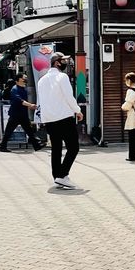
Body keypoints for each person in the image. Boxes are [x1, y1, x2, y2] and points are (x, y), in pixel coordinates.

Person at [37, 53, 83, 189]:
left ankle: (57, 176)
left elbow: (41, 102)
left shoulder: (41, 80)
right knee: (73, 147)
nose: (65, 63)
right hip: (64, 117)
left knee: (56, 148)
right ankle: (62, 175)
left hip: (49, 119)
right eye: (64, 60)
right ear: (57, 62)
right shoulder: (62, 77)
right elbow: (69, 97)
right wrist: (78, 110)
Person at [0, 73, 44, 153]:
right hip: (15, 114)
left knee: (29, 130)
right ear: (19, 79)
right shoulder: (14, 89)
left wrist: (29, 106)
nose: (26, 79)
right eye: (24, 78)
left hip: (23, 114)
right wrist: (30, 105)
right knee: (9, 131)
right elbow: (19, 101)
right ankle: (2, 146)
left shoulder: (23, 88)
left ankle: (37, 145)